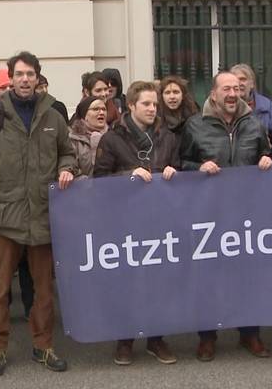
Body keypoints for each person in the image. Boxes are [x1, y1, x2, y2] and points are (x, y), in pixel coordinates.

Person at [0, 51, 76, 377]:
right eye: (19, 74)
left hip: (42, 213)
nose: (25, 79)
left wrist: (66, 168)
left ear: (37, 77)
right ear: (11, 78)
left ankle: (44, 344)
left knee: (43, 290)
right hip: (5, 215)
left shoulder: (53, 116)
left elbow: (68, 152)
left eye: (30, 74)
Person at [180, 71, 272, 362]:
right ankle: (207, 337)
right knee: (208, 278)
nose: (233, 94)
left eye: (237, 88)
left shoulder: (255, 124)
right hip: (209, 215)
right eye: (226, 89)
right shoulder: (194, 125)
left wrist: (268, 160)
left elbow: (266, 158)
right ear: (214, 94)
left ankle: (250, 333)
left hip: (247, 216)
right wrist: (198, 167)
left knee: (248, 277)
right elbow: (180, 163)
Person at [93, 81, 179, 366]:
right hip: (126, 222)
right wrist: (128, 174)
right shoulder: (112, 139)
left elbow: (178, 171)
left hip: (160, 220)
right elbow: (99, 180)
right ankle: (125, 340)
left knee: (160, 282)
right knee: (128, 283)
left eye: (155, 104)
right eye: (146, 104)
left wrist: (173, 171)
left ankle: (156, 338)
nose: (153, 108)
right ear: (131, 106)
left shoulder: (167, 137)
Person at [230, 63, 272, 145]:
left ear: (251, 84)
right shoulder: (225, 107)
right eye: (235, 80)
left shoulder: (267, 106)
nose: (239, 83)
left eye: (243, 79)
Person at [68, 96, 108, 178]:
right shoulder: (72, 139)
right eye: (96, 109)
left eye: (104, 109)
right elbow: (71, 169)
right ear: (84, 115)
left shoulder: (113, 136)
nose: (101, 112)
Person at [158, 75, 198, 140]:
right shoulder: (156, 119)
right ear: (162, 96)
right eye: (167, 93)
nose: (172, 97)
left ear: (183, 95)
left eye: (176, 92)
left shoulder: (194, 118)